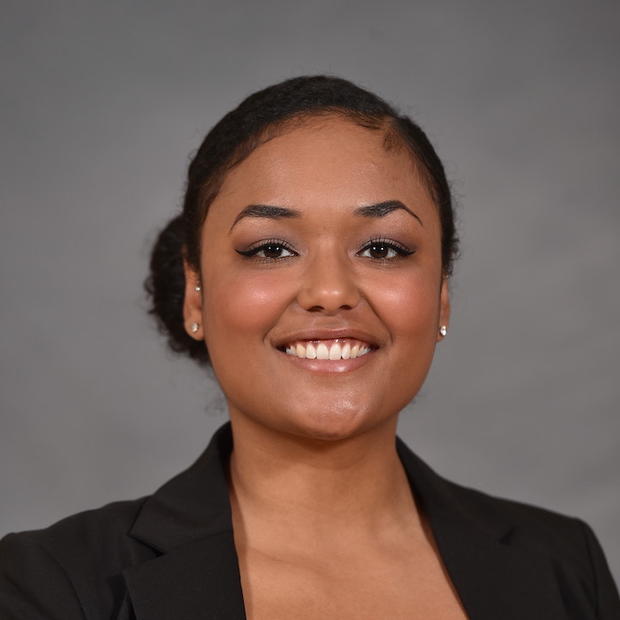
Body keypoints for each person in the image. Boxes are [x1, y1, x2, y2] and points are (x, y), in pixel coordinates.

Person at [0, 75, 618, 620]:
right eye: (271, 248)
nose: (329, 291)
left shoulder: (563, 565)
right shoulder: (51, 585)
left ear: (442, 299)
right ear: (196, 297)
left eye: (382, 249)